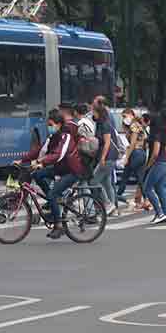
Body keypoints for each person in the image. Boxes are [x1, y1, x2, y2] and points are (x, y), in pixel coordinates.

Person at [24, 108, 84, 238]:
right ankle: (53, 202)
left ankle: (59, 225)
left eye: (51, 125)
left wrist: (41, 162)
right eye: (48, 125)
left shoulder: (66, 137)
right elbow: (40, 150)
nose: (49, 127)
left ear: (59, 124)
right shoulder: (53, 136)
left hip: (72, 171)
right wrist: (22, 160)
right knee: (36, 175)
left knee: (52, 194)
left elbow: (58, 154)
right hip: (60, 169)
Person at [142, 108, 166, 225]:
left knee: (147, 188)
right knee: (160, 188)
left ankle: (160, 213)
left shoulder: (156, 133)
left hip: (158, 162)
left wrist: (148, 166)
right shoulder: (163, 131)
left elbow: (155, 152)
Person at [90, 97, 119, 216]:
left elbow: (107, 142)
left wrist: (102, 157)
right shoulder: (102, 123)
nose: (93, 115)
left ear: (98, 113)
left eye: (94, 113)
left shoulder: (105, 124)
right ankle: (113, 209)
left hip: (107, 157)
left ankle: (108, 204)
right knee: (107, 183)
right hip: (109, 157)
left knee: (93, 182)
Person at [116, 108, 148, 211]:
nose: (124, 118)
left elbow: (132, 143)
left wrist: (126, 157)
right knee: (139, 178)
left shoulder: (134, 126)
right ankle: (147, 200)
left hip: (136, 153)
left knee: (126, 176)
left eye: (125, 116)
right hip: (141, 153)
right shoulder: (137, 125)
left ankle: (116, 198)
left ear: (131, 114)